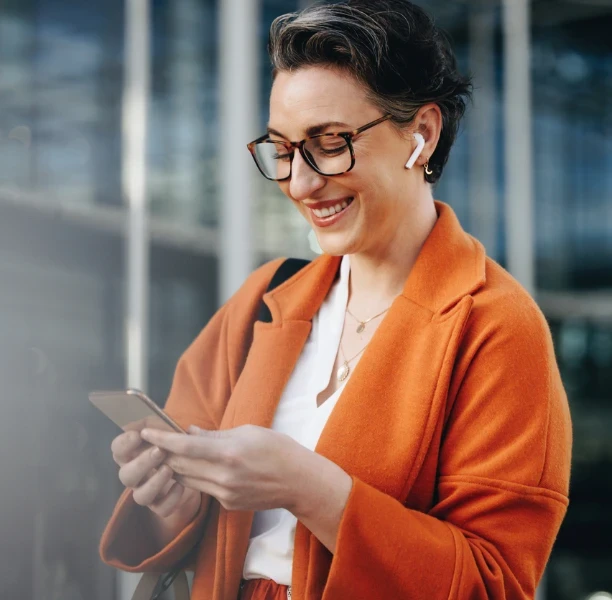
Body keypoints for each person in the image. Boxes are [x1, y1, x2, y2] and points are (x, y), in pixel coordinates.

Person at [99, 1, 572, 598]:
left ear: (421, 136)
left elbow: (493, 584)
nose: (299, 182)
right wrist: (176, 496)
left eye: (330, 143)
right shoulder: (265, 298)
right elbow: (200, 538)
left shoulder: (496, 327)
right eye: (283, 149)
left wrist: (310, 487)